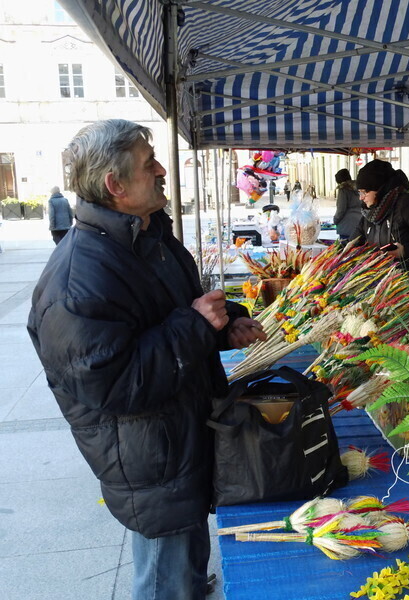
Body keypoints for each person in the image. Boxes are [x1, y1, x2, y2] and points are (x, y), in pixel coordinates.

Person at [27, 119, 267, 599]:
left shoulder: (147, 235)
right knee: (163, 571)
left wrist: (223, 327)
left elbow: (168, 314)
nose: (161, 170)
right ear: (115, 186)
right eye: (148, 163)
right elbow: (116, 384)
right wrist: (196, 326)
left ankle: (190, 586)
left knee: (185, 552)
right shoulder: (78, 278)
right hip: (150, 454)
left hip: (179, 432)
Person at [332, 168, 361, 241]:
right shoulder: (359, 188)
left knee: (346, 246)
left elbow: (341, 209)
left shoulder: (343, 190)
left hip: (346, 226)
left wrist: (335, 220)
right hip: (360, 224)